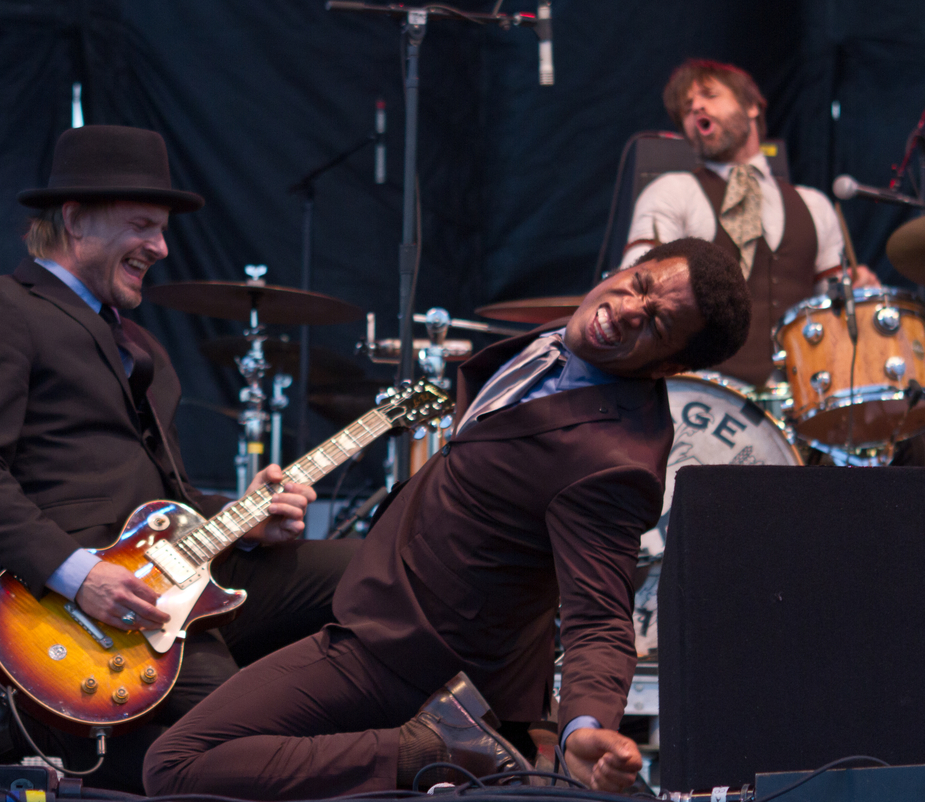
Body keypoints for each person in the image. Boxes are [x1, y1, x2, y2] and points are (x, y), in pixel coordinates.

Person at [142, 238, 752, 799]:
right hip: (396, 586)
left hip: (411, 654)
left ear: (667, 367)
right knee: (220, 601)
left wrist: (583, 727)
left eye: (657, 323)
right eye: (640, 284)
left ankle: (428, 752)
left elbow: (601, 618)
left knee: (175, 764)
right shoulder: (574, 338)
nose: (628, 310)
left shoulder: (613, 465)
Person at [0, 125, 357, 791]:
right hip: (81, 607)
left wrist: (246, 520)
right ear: (76, 219)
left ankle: (425, 732)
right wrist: (81, 577)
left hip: (177, 572)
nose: (160, 248)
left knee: (373, 571)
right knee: (241, 742)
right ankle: (25, 719)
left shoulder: (144, 349)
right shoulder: (1, 307)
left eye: (162, 231)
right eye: (142, 226)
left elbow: (169, 498)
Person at [621, 58, 878, 387]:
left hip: (797, 396)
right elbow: (632, 292)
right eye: (686, 108)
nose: (696, 106)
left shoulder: (814, 205)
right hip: (701, 396)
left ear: (752, 106)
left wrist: (856, 292)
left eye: (709, 95)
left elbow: (832, 309)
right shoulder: (670, 193)